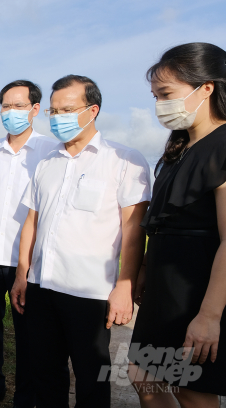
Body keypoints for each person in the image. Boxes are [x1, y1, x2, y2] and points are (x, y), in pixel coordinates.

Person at [10, 75, 151, 408]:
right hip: (42, 288)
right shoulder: (46, 163)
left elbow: (133, 231)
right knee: (46, 374)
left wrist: (124, 286)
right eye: (54, 111)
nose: (59, 117)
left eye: (67, 110)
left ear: (93, 110)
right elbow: (32, 221)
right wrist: (21, 275)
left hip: (89, 293)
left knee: (91, 379)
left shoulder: (123, 160)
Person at [128, 42, 226, 408]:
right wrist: (143, 268)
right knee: (144, 377)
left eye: (166, 94)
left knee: (191, 387)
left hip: (199, 289)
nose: (159, 106)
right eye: (155, 96)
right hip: (163, 289)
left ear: (207, 87)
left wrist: (210, 316)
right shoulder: (178, 148)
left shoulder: (222, 146)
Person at [0, 80, 57, 405]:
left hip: (28, 259)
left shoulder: (50, 151)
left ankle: (25, 394)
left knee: (28, 333)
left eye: (19, 106)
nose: (11, 112)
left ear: (34, 109)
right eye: (6, 106)